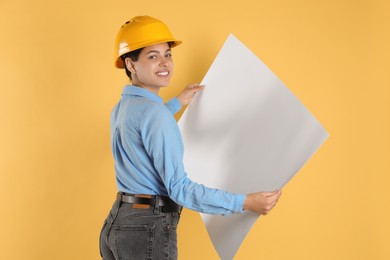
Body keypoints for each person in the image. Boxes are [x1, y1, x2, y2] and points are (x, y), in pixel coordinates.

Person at [99, 15, 282, 260]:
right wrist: (245, 202)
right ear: (130, 65)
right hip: (146, 229)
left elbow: (143, 128)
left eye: (168, 54)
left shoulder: (123, 108)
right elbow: (179, 189)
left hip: (117, 224)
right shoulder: (154, 115)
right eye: (153, 56)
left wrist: (177, 102)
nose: (164, 63)